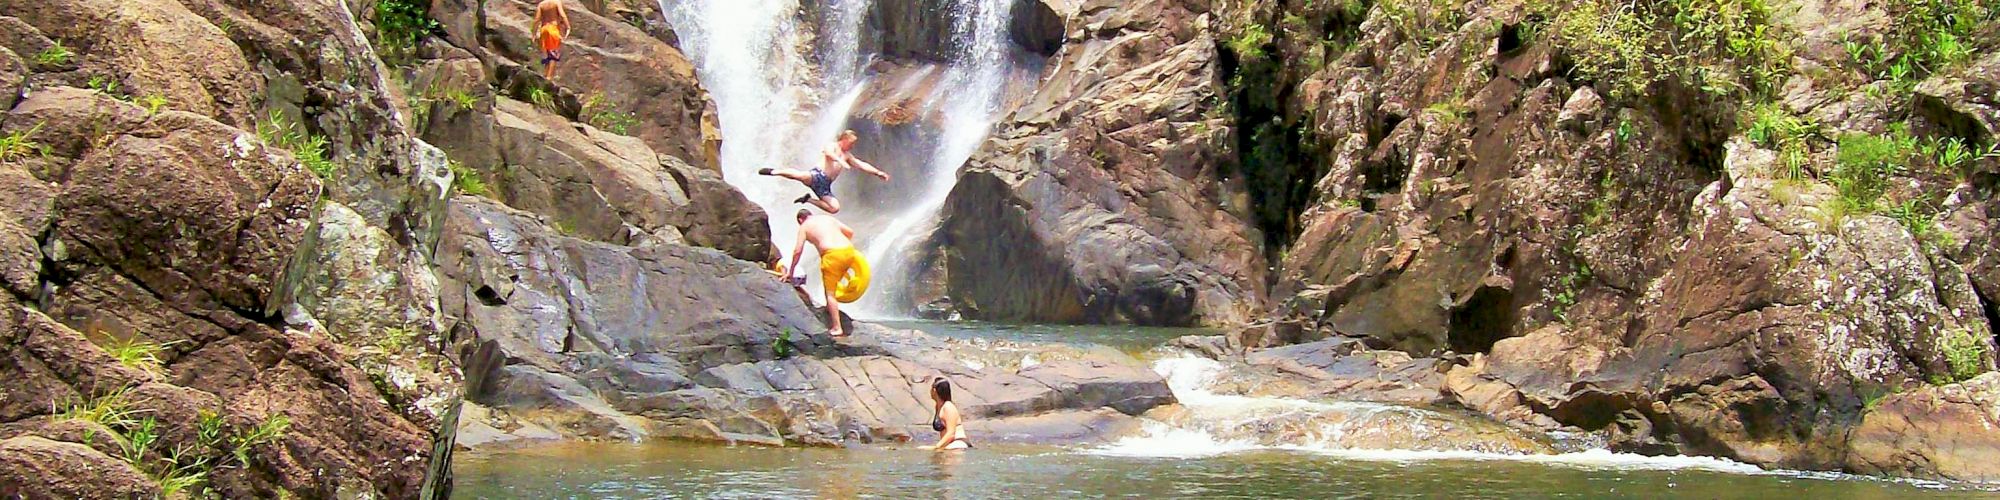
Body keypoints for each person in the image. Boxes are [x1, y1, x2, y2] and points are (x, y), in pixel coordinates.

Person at [758, 130, 890, 214]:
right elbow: (829, 153)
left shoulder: (848, 155)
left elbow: (861, 165)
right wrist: (840, 161)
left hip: (825, 186)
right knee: (799, 175)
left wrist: (878, 173)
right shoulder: (832, 145)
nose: (852, 146)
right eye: (851, 143)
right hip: (817, 175)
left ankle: (808, 200)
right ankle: (774, 172)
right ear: (843, 139)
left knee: (834, 208)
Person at [788, 209, 871, 337]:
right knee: (837, 279)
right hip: (849, 251)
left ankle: (837, 327)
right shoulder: (828, 219)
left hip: (832, 255)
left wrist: (791, 271)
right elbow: (850, 232)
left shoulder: (804, 226)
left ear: (800, 220)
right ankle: (830, 310)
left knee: (830, 293)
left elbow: (797, 251)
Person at [533, 0, 571, 81]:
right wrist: (568, 27)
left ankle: (545, 74)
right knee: (553, 54)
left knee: (546, 54)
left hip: (544, 29)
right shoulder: (556, 2)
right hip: (553, 29)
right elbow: (562, 15)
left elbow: (536, 19)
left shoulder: (541, 4)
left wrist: (534, 33)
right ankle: (549, 78)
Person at [929, 377, 970, 450]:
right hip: (949, 444)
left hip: (958, 442)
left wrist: (936, 447)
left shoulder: (948, 407)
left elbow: (951, 433)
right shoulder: (938, 407)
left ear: (934, 390)